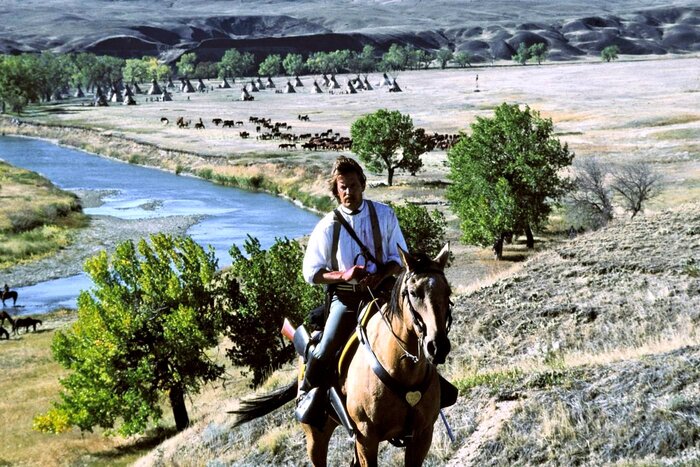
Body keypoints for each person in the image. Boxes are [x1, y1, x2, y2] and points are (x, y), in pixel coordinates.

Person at [298, 156, 408, 418]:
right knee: (325, 348)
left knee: (415, 331)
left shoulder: (384, 214)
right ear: (336, 190)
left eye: (353, 185)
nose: (348, 192)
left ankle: (432, 392)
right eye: (343, 187)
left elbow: (400, 258)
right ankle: (307, 394)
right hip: (346, 299)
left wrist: (381, 275)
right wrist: (344, 274)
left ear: (363, 184)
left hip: (384, 293)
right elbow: (312, 273)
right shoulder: (327, 226)